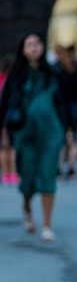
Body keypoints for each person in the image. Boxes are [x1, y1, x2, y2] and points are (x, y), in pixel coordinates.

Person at [0, 34, 65, 241]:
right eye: (29, 45)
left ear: (42, 48)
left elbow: (64, 103)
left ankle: (47, 224)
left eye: (37, 44)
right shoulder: (16, 75)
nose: (34, 48)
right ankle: (27, 208)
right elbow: (4, 105)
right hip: (25, 134)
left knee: (48, 175)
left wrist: (69, 130)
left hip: (50, 133)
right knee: (27, 177)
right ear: (23, 50)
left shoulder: (53, 73)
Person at [53, 44, 77, 179]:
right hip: (75, 106)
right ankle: (72, 168)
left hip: (63, 107)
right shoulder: (76, 67)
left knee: (62, 138)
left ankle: (59, 168)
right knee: (72, 138)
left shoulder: (56, 68)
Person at [0, 54, 19, 186]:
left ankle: (4, 174)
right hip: (11, 116)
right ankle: (13, 173)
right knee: (12, 146)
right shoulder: (15, 81)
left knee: (2, 146)